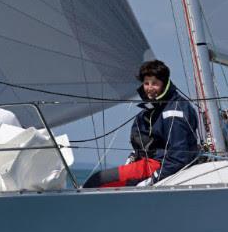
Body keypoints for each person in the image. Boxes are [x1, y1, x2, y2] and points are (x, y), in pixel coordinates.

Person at [83, 60, 200, 188]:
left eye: (154, 83)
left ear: (165, 83)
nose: (149, 88)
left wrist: (153, 179)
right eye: (146, 83)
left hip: (160, 165)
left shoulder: (174, 110)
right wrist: (133, 156)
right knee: (97, 179)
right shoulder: (152, 109)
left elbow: (179, 156)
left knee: (99, 181)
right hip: (149, 163)